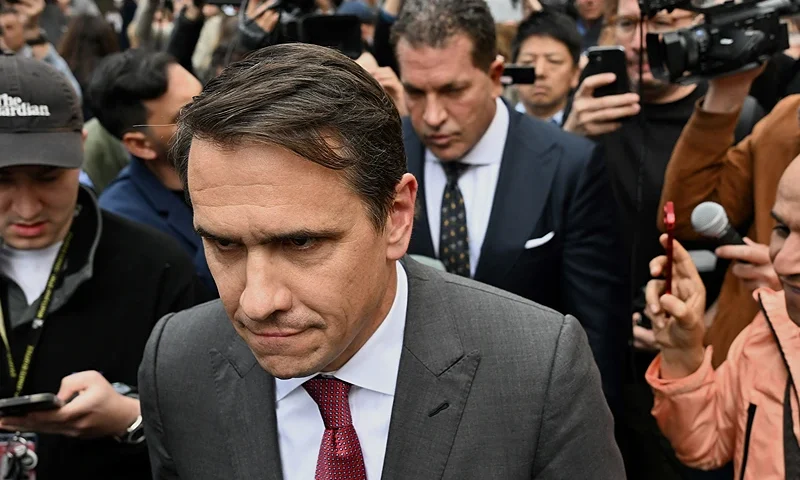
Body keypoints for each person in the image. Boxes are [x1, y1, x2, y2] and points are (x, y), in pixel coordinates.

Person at [137, 42, 625, 479]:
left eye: (302, 243)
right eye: (225, 245)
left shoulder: (537, 370)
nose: (258, 300)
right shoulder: (176, 366)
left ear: (396, 217)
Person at [392, 0, 628, 412]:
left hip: (531, 417)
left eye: (453, 90)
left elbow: (598, 333)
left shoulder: (569, 165)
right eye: (415, 92)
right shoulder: (387, 157)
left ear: (496, 76)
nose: (431, 116)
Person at [0, 55, 204, 479]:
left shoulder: (157, 265)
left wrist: (132, 418)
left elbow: (216, 423)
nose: (26, 206)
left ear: (80, 145)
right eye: (1, 180)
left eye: (46, 176)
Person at [643, 155, 800, 479]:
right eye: (783, 229)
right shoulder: (769, 326)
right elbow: (705, 443)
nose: (783, 262)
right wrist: (684, 352)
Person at [658, 68, 800, 369]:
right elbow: (686, 214)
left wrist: (785, 286)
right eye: (783, 230)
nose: (785, 259)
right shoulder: (788, 118)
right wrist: (726, 92)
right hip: (734, 359)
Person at [89, 49, 216, 294]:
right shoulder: (123, 224)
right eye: (185, 114)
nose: (211, 115)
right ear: (140, 144)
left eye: (206, 97)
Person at [510, 8, 582, 125]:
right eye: (528, 62)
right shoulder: (497, 127)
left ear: (575, 73)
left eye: (554, 61)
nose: (539, 72)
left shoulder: (589, 130)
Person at [0, 1, 82, 100]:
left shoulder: (40, 54)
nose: (4, 34)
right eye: (1, 29)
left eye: (10, 27)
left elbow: (74, 94)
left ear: (22, 29)